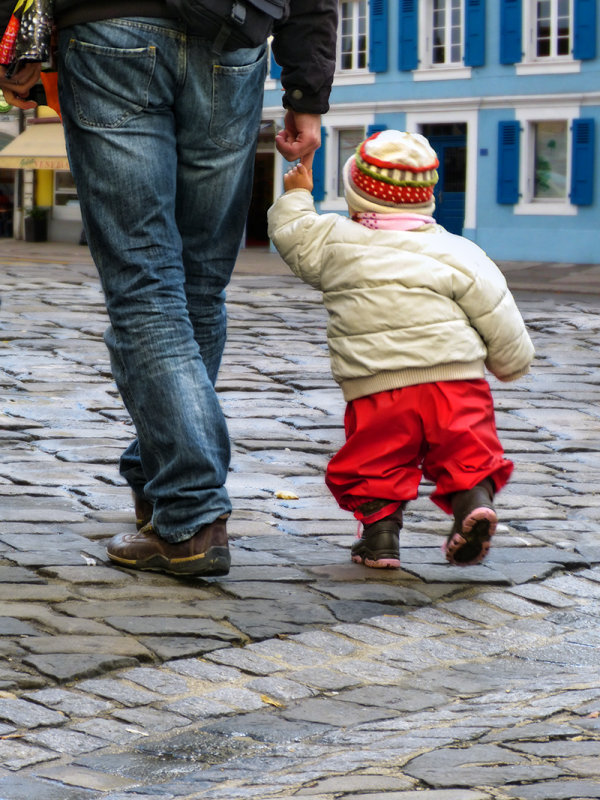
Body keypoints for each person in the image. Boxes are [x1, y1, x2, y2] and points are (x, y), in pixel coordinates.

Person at [0, 0, 337, 576]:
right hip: (232, 35)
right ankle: (161, 482)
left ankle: (190, 511)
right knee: (200, 285)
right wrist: (307, 93)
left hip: (112, 30)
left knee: (146, 284)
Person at [267, 130, 535, 569]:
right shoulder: (458, 250)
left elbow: (293, 234)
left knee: (377, 461)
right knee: (468, 451)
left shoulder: (336, 242)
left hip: (379, 385)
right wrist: (510, 362)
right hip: (456, 380)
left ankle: (380, 542)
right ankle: (473, 505)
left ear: (356, 195)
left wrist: (297, 193)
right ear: (426, 198)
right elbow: (496, 308)